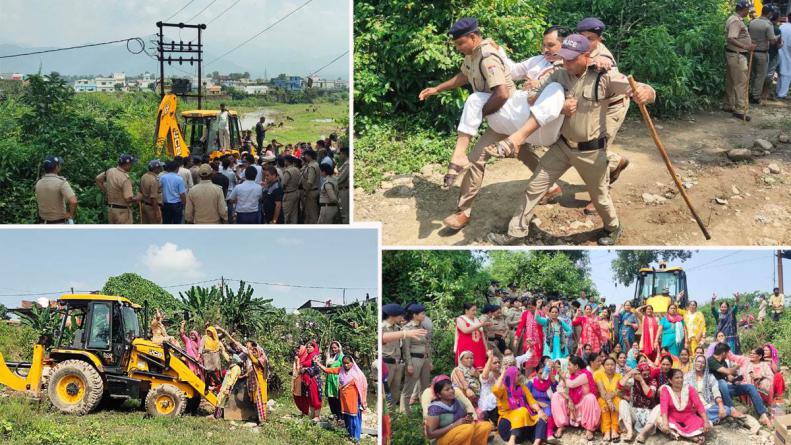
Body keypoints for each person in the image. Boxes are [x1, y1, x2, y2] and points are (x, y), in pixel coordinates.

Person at [487, 34, 655, 246]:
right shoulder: (559, 74)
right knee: (535, 186)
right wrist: (557, 103)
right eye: (564, 58)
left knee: (600, 197)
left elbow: (642, 88)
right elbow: (536, 95)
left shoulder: (604, 76)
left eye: (572, 59)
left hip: (591, 152)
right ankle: (516, 232)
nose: (566, 63)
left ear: (586, 56)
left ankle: (612, 227)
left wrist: (645, 93)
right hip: (562, 147)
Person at [436, 23, 568, 228]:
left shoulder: (571, 67)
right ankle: (463, 211)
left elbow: (574, 94)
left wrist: (542, 88)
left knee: (585, 153)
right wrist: (500, 52)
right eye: (544, 45)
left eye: (551, 45)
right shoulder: (537, 60)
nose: (545, 49)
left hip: (548, 125)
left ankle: (607, 169)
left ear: (565, 44)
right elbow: (512, 70)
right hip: (514, 116)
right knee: (479, 157)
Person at [707, 342, 771, 426]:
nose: (728, 355)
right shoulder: (711, 360)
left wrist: (736, 380)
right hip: (715, 391)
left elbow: (728, 377)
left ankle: (762, 415)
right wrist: (738, 366)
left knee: (750, 387)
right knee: (722, 382)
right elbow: (728, 371)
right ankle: (732, 409)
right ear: (723, 353)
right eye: (727, 353)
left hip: (725, 389)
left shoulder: (723, 362)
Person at [317, 355, 369, 442]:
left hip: (354, 400)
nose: (345, 365)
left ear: (352, 363)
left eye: (347, 363)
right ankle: (350, 434)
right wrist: (318, 363)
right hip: (344, 400)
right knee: (347, 417)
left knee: (354, 418)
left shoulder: (357, 374)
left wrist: (363, 401)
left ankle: (356, 437)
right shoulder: (340, 370)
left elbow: (363, 387)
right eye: (344, 363)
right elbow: (327, 370)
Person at [425, 378, 490, 445]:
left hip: (461, 433)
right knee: (467, 429)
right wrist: (454, 425)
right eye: (447, 389)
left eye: (452, 388)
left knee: (485, 426)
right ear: (439, 395)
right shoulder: (435, 408)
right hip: (442, 439)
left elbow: (464, 418)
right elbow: (430, 434)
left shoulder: (457, 402)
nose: (451, 391)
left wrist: (468, 419)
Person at [492, 366, 546, 445]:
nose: (520, 377)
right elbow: (495, 390)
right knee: (522, 410)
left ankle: (536, 443)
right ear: (511, 376)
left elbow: (531, 401)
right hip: (507, 426)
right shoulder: (503, 388)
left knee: (542, 418)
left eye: (519, 375)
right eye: (517, 375)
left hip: (522, 429)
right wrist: (503, 374)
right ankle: (512, 441)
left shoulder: (523, 387)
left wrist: (540, 411)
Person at [550, 355, 600, 440]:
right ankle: (561, 426)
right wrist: (569, 399)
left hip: (583, 405)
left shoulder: (585, 375)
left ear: (576, 366)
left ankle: (589, 428)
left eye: (569, 365)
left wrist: (563, 375)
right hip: (571, 405)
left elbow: (571, 384)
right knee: (556, 396)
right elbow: (559, 388)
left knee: (590, 397)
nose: (568, 367)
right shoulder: (568, 374)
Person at [685, 354, 744, 425]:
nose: (700, 364)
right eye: (698, 361)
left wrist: (721, 406)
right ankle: (726, 413)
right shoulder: (687, 377)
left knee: (721, 409)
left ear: (705, 365)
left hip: (708, 404)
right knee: (698, 413)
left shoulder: (710, 377)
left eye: (702, 362)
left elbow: (716, 391)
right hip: (694, 405)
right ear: (694, 362)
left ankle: (717, 415)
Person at [656, 369, 710, 443]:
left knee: (704, 424)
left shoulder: (689, 389)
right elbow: (664, 408)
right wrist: (665, 424)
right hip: (672, 418)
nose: (680, 380)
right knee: (660, 421)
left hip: (688, 417)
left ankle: (679, 434)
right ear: (670, 380)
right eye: (677, 378)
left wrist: (706, 421)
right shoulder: (666, 390)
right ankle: (692, 437)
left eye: (681, 377)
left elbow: (699, 405)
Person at [724, 1, 756, 120]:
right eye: (748, 10)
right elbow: (731, 38)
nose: (749, 12)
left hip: (734, 54)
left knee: (732, 81)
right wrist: (746, 47)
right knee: (741, 82)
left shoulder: (734, 19)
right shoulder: (736, 21)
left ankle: (729, 104)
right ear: (743, 9)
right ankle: (740, 109)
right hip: (737, 55)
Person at [618, 363, 661, 443]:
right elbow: (620, 386)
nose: (646, 373)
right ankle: (630, 432)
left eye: (648, 370)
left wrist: (641, 381)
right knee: (623, 402)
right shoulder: (633, 380)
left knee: (659, 407)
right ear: (638, 372)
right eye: (643, 371)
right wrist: (629, 374)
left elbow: (650, 394)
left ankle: (642, 434)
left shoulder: (653, 381)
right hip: (635, 412)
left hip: (649, 413)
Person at [95, 154, 141, 224]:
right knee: (125, 234)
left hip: (111, 211)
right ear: (127, 164)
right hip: (122, 212)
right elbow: (128, 199)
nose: (132, 166)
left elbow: (98, 179)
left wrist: (106, 191)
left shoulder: (110, 171)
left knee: (114, 234)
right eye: (131, 164)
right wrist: (137, 198)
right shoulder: (125, 179)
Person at [401, 303, 430, 411]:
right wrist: (409, 364)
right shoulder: (407, 328)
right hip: (414, 359)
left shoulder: (423, 327)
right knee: (409, 387)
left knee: (425, 387)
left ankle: (425, 412)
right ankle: (404, 414)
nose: (424, 315)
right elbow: (406, 348)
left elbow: (427, 345)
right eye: (422, 313)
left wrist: (429, 360)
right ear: (414, 315)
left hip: (425, 359)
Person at [749, 6, 779, 104]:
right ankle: (756, 97)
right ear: (769, 13)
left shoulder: (752, 22)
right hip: (762, 52)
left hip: (752, 51)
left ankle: (750, 93)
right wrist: (777, 37)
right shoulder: (768, 24)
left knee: (752, 74)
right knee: (760, 75)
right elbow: (772, 40)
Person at [35, 156, 77, 224]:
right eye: (59, 164)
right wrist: (70, 215)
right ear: (57, 167)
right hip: (58, 224)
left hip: (43, 224)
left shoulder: (38, 183)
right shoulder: (61, 182)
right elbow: (73, 201)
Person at [382, 303, 406, 410]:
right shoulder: (382, 328)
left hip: (397, 363)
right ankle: (385, 419)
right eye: (400, 315)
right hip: (386, 363)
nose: (402, 318)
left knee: (395, 392)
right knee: (385, 392)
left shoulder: (398, 328)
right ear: (392, 316)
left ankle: (391, 417)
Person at [527, 356, 556, 442]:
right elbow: (527, 397)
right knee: (543, 411)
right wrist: (538, 403)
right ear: (535, 373)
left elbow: (556, 391)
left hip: (548, 404)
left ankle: (549, 434)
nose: (543, 375)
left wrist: (551, 377)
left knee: (548, 410)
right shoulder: (531, 383)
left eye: (544, 372)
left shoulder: (549, 381)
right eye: (540, 373)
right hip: (535, 404)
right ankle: (543, 435)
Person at [455, 303, 489, 370]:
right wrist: (481, 324)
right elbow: (465, 330)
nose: (475, 312)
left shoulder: (477, 320)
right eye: (473, 310)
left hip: (480, 349)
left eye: (476, 310)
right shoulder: (460, 319)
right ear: (466, 311)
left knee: (481, 369)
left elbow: (482, 336)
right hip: (466, 348)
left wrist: (486, 349)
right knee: (467, 369)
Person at [595, 356, 622, 441]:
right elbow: (601, 389)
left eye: (612, 365)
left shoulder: (619, 376)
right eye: (607, 364)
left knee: (617, 401)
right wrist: (609, 401)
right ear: (603, 366)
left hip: (615, 398)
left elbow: (618, 391)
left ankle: (614, 429)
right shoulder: (599, 374)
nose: (610, 366)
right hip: (603, 397)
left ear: (615, 366)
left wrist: (611, 399)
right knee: (602, 402)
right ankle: (606, 430)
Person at [298, 340, 323, 421]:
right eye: (307, 347)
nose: (308, 348)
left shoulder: (316, 356)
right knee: (310, 397)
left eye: (310, 347)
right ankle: (312, 415)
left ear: (314, 347)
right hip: (307, 380)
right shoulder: (307, 356)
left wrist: (305, 369)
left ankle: (317, 416)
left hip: (314, 379)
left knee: (315, 397)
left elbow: (316, 368)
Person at [246, 341, 269, 423]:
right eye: (253, 352)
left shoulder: (261, 360)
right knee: (257, 401)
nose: (254, 353)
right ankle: (260, 418)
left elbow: (253, 360)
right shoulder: (258, 359)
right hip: (257, 384)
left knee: (261, 402)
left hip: (260, 384)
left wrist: (249, 351)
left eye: (255, 352)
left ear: (259, 352)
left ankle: (262, 420)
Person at [478, 350, 503, 425]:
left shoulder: (502, 374)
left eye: (499, 362)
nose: (498, 364)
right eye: (495, 363)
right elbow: (484, 376)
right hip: (489, 406)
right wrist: (490, 358)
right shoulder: (487, 375)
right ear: (488, 364)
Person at [324, 341, 345, 422]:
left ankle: (340, 417)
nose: (333, 349)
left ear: (339, 347)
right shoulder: (331, 357)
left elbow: (343, 369)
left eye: (335, 347)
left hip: (337, 380)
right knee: (330, 397)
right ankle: (334, 414)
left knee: (337, 398)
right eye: (332, 348)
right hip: (329, 379)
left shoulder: (341, 357)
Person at [139, 159, 162, 224]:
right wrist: (157, 212)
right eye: (159, 167)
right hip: (152, 208)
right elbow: (153, 198)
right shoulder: (153, 180)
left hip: (144, 205)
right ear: (155, 168)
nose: (161, 169)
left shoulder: (144, 176)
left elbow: (140, 190)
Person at [300, 149, 320, 224]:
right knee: (309, 213)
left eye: (305, 155)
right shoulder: (315, 164)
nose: (304, 157)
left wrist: (305, 192)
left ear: (309, 156)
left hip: (310, 192)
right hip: (313, 191)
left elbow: (310, 182)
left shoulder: (312, 166)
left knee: (312, 214)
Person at [777, 13, 791, 99]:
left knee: (780, 73)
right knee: (787, 74)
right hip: (788, 52)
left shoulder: (781, 26)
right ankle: (782, 93)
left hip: (779, 51)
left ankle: (778, 91)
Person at [337, 146, 349, 224]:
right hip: (343, 189)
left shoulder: (347, 164)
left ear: (344, 154)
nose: (339, 156)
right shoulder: (345, 164)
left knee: (345, 214)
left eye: (340, 154)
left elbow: (339, 179)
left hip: (345, 190)